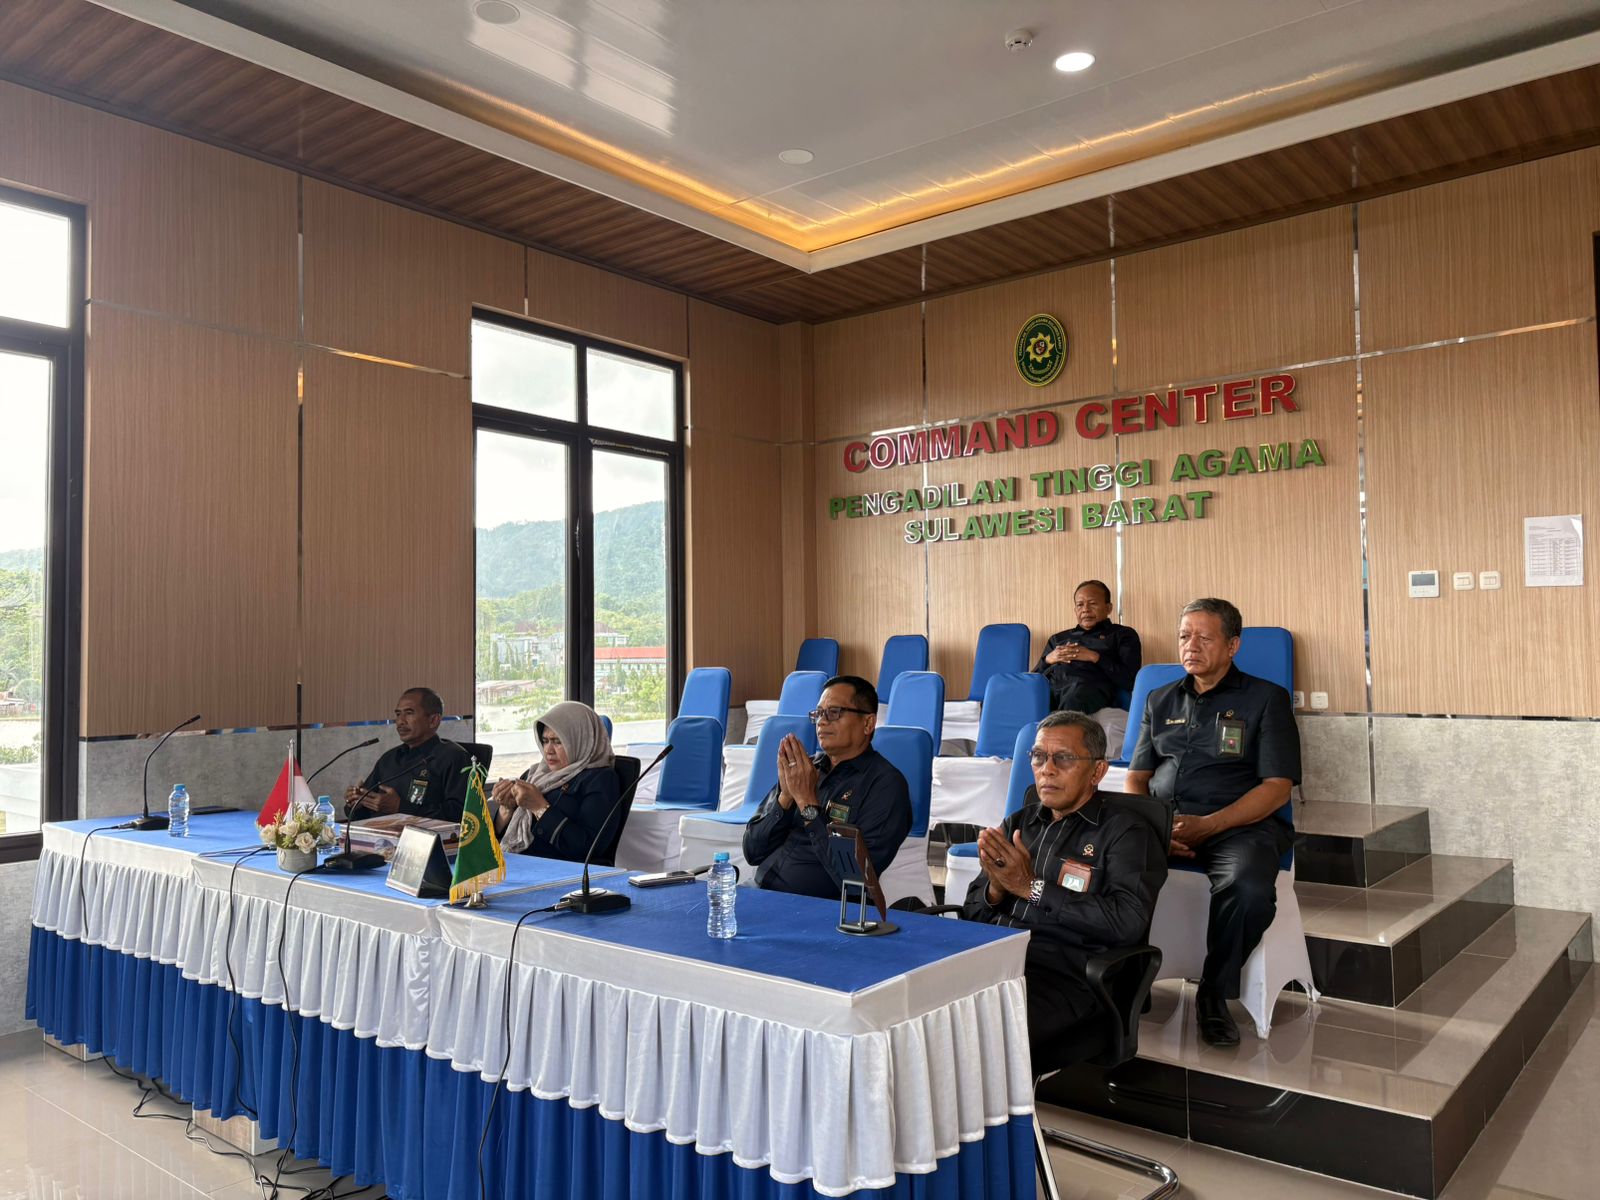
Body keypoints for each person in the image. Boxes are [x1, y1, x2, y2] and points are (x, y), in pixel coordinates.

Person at [1125, 598, 1300, 1047]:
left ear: (1233, 645)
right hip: (1166, 823)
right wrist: (1155, 828)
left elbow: (1277, 787)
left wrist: (1210, 825)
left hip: (1239, 825)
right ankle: (1129, 979)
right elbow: (1137, 779)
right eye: (1185, 636)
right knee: (1106, 862)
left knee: (1248, 887)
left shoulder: (1266, 699)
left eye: (1204, 637)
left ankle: (1213, 992)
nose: (1191, 646)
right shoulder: (1159, 699)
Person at [961, 711, 1167, 1074]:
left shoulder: (1126, 833)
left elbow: (1127, 922)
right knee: (920, 1019)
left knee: (974, 1042)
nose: (1047, 769)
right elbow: (972, 911)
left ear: (1097, 771)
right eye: (1039, 757)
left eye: (1064, 758)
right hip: (992, 963)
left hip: (1064, 976)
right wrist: (996, 885)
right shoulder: (1019, 823)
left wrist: (1031, 887)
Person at [743, 675, 913, 900]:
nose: (822, 722)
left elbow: (856, 880)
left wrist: (807, 804)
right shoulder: (805, 770)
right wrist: (785, 798)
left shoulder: (885, 785)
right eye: (818, 713)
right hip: (758, 892)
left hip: (816, 909)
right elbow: (752, 852)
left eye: (834, 712)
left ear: (867, 723)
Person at [491, 700, 621, 861]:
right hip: (516, 863)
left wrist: (539, 807)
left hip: (561, 870)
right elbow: (502, 838)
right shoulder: (534, 774)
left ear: (580, 741)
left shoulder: (600, 779)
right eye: (545, 741)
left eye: (558, 742)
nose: (548, 750)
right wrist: (506, 809)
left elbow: (588, 848)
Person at [345, 687, 470, 822]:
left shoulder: (454, 757)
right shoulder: (389, 759)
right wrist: (356, 803)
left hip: (425, 835)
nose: (400, 721)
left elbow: (461, 815)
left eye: (409, 713)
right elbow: (361, 812)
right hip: (377, 832)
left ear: (433, 720)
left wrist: (401, 807)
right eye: (398, 714)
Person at [1033, 580, 1142, 713]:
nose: (1085, 609)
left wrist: (1095, 657)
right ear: (1075, 610)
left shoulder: (1122, 634)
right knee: (1023, 696)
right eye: (1080, 605)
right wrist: (1047, 660)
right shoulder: (1057, 639)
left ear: (1109, 608)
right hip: (1053, 689)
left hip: (1087, 691)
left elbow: (1130, 681)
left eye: (1092, 603)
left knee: (1076, 692)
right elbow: (1031, 680)